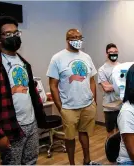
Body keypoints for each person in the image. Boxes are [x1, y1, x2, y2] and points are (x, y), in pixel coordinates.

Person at [0, 16, 46, 165]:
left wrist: (39, 117)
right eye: (8, 34)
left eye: (16, 33)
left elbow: (31, 92)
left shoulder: (23, 62)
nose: (13, 37)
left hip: (31, 123)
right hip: (10, 127)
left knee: (31, 161)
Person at [46, 29, 99, 165]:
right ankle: (72, 164)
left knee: (84, 133)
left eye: (80, 37)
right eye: (74, 37)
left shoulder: (86, 57)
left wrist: (94, 100)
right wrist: (60, 107)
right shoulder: (57, 58)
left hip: (87, 104)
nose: (77, 40)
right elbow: (53, 85)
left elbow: (92, 80)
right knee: (69, 138)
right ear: (67, 39)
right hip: (69, 107)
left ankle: (87, 160)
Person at [98, 43, 121, 138]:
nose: (113, 54)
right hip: (109, 106)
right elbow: (106, 88)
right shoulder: (102, 70)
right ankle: (111, 152)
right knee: (110, 133)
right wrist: (121, 84)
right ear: (107, 54)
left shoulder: (122, 67)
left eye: (115, 52)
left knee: (122, 132)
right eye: (111, 52)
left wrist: (113, 86)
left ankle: (121, 152)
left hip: (122, 105)